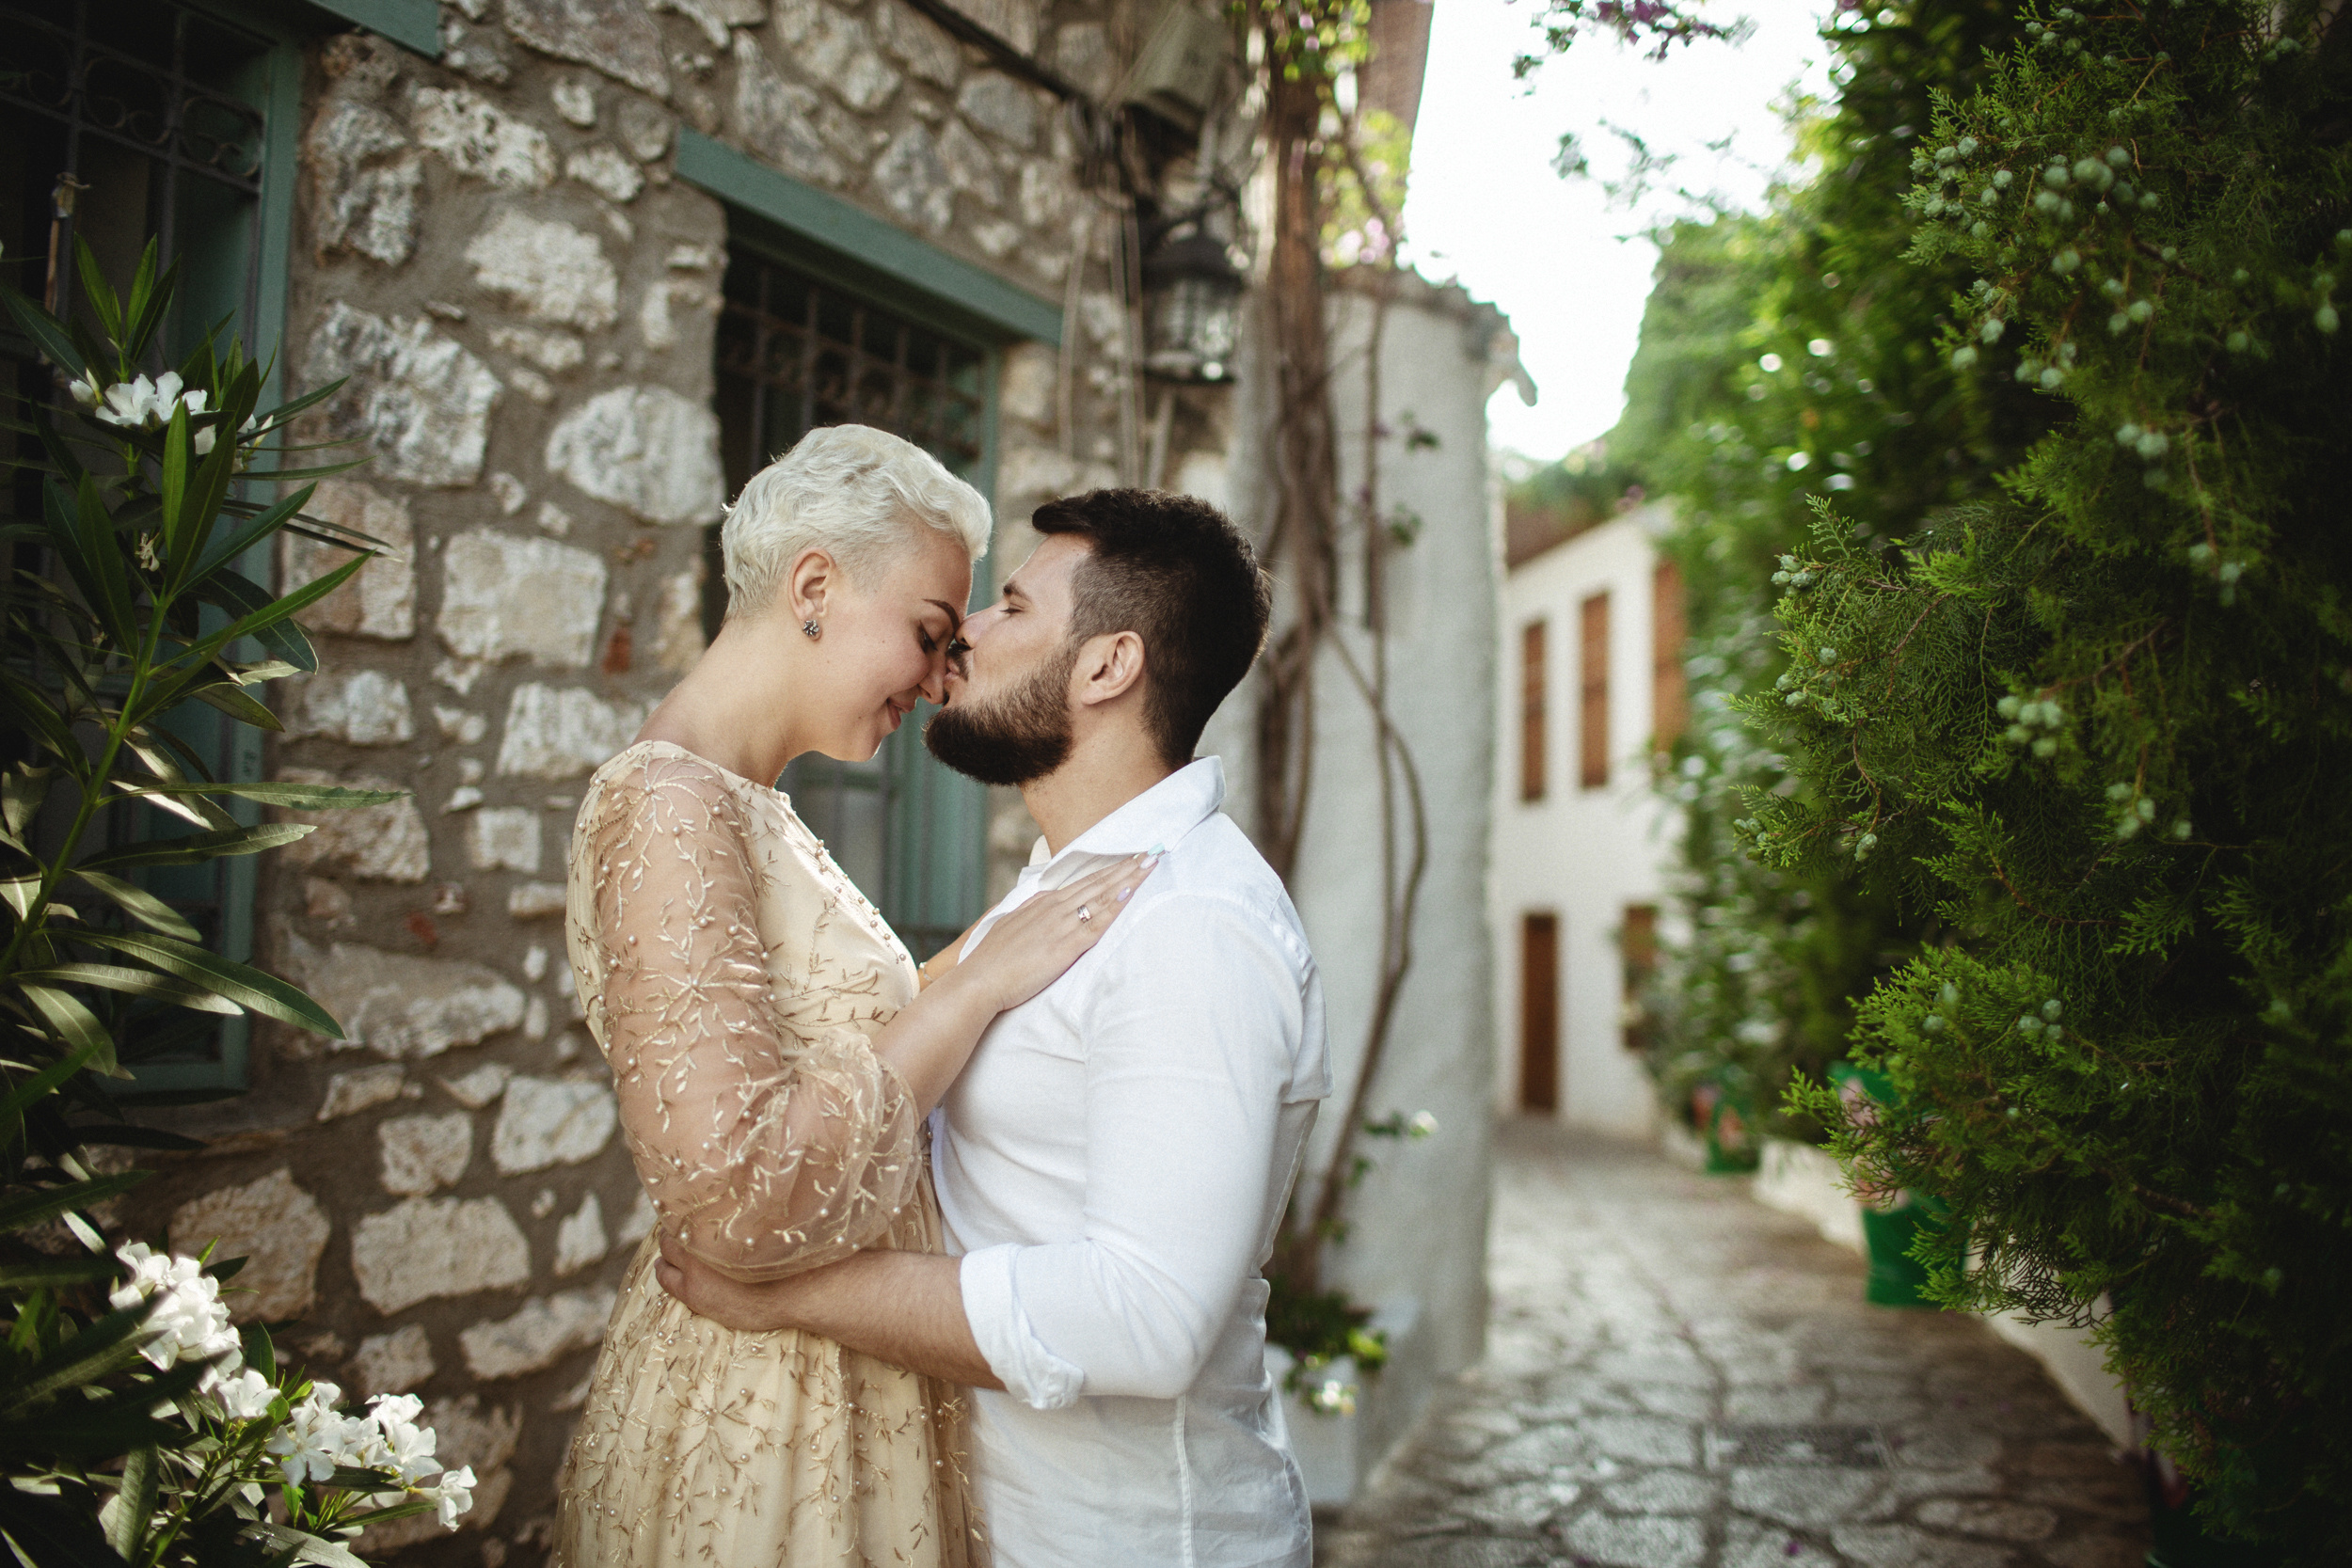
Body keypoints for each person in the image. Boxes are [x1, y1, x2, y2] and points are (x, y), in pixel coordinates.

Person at [657, 488, 1330, 1568]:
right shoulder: (1067, 886)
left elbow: (1145, 1317)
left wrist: (791, 1289)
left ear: (1107, 665)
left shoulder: (1193, 922)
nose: (963, 631)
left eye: (1011, 606)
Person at [552, 428, 1157, 1568]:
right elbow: (736, 1196)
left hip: (836, 1382)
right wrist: (971, 992)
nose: (937, 679)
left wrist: (984, 957)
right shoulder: (669, 807)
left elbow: (812, 1043)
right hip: (761, 1418)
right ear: (814, 586)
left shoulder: (743, 802)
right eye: (929, 632)